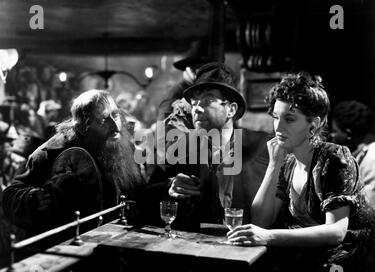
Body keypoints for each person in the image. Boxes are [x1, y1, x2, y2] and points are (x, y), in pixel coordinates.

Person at [227, 72, 375, 272]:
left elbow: (335, 232)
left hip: (345, 268)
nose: (278, 127)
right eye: (276, 117)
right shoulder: (287, 163)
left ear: (313, 124)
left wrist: (267, 237)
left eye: (289, 119)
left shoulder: (334, 158)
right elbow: (261, 219)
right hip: (307, 263)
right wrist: (274, 165)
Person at [2, 89, 145, 241]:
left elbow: (140, 191)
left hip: (118, 241)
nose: (115, 126)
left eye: (115, 115)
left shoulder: (124, 146)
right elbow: (11, 195)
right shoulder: (49, 153)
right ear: (83, 126)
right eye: (102, 120)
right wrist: (32, 199)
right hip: (69, 245)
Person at [145, 62, 269, 230]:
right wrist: (171, 186)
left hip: (247, 247)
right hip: (196, 247)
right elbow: (147, 193)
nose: (197, 109)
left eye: (208, 100)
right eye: (194, 102)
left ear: (231, 110)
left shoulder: (261, 147)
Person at [331, 100, 375, 210]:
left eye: (335, 131)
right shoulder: (360, 155)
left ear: (348, 134)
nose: (332, 135)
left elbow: (370, 208)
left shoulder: (373, 159)